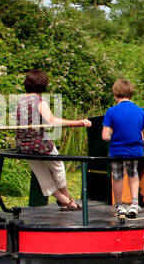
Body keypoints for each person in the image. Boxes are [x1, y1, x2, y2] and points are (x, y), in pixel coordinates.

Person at [14, 70, 91, 211]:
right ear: (43, 85)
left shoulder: (20, 101)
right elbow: (51, 120)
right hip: (40, 144)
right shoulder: (39, 101)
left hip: (22, 145)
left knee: (42, 175)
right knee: (58, 167)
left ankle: (65, 201)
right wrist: (78, 122)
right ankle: (68, 201)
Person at [101, 78, 144, 219]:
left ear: (115, 94)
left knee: (117, 176)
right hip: (135, 151)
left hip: (117, 151)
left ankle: (119, 205)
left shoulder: (111, 112)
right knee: (133, 173)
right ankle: (135, 203)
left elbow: (105, 136)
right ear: (131, 94)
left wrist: (117, 137)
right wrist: (137, 140)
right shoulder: (140, 111)